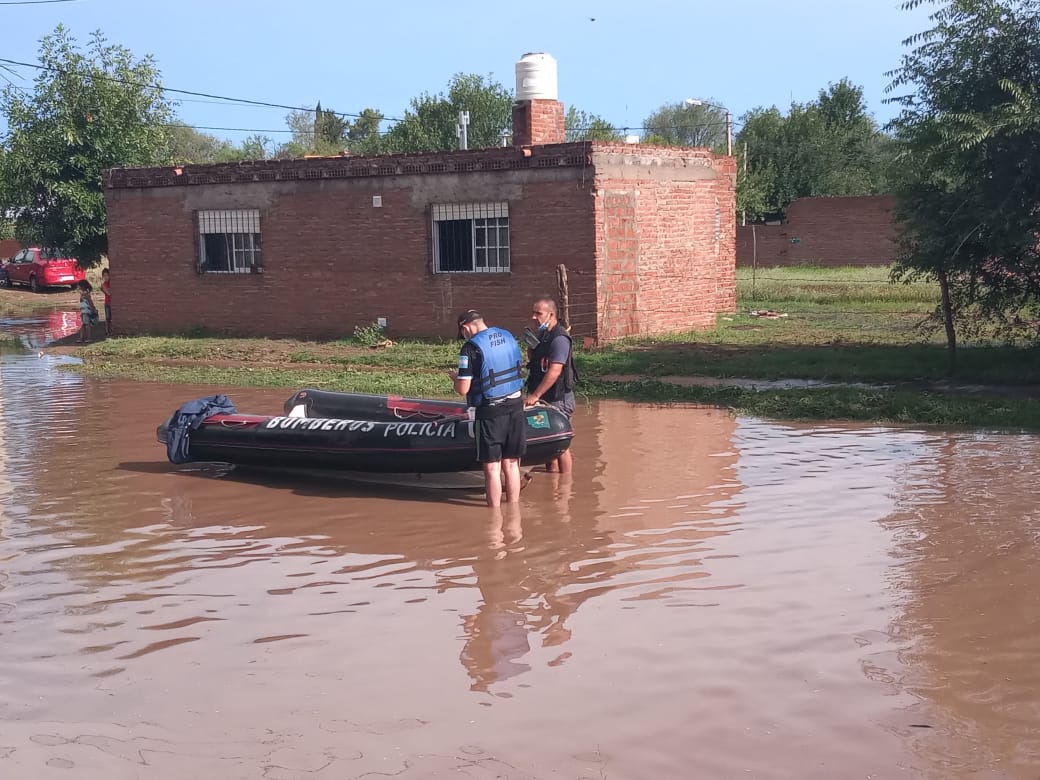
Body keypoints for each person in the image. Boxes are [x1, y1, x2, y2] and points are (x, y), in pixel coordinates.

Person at [450, 309, 527, 507]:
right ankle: (513, 510)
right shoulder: (507, 335)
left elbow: (463, 389)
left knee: (492, 468)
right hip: (516, 405)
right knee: (511, 464)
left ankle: (494, 516)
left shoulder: (470, 349)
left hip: (492, 412)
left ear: (465, 328)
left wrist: (454, 379)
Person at [524, 296, 576, 473]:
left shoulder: (559, 338)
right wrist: (532, 349)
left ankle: (565, 486)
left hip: (557, 399)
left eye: (538, 313)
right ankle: (554, 483)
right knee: (548, 444)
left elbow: (555, 371)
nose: (533, 317)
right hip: (545, 397)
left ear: (551, 314)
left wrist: (535, 395)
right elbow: (538, 363)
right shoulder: (544, 335)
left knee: (561, 446)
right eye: (532, 312)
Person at [100, 267, 111, 336]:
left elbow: (109, 293)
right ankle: (107, 331)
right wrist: (103, 288)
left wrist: (104, 288)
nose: (106, 277)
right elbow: (108, 293)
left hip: (112, 303)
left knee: (112, 318)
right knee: (107, 318)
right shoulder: (104, 284)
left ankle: (111, 330)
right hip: (107, 303)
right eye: (104, 276)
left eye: (107, 275)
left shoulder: (111, 283)